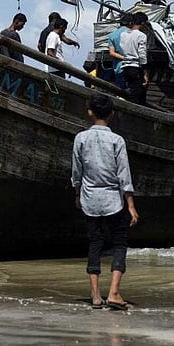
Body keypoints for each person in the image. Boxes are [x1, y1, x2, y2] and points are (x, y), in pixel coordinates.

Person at [71, 94, 139, 310]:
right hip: (113, 199)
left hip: (90, 198)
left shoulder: (80, 138)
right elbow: (124, 175)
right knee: (119, 243)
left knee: (95, 243)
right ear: (111, 114)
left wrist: (77, 194)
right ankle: (114, 292)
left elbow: (76, 171)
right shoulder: (117, 140)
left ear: (90, 112)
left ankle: (95, 296)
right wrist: (131, 205)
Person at [119, 12, 149, 105]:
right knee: (138, 96)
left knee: (130, 92)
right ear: (143, 23)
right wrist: (145, 73)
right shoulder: (141, 35)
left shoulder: (123, 34)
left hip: (125, 67)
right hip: (136, 67)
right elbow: (142, 55)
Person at [106, 13, 132, 90]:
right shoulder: (134, 34)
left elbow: (112, 53)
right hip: (133, 67)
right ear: (130, 23)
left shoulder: (113, 35)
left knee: (121, 91)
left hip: (119, 67)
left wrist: (124, 58)